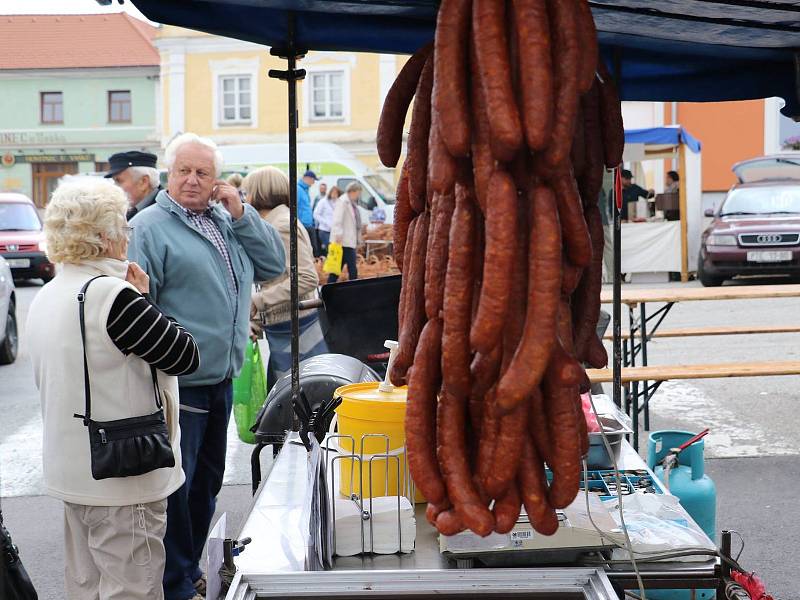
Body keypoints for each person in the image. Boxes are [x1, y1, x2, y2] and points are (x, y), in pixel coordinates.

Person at [127, 133, 285, 600]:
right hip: (180, 379)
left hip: (222, 375)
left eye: (203, 173)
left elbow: (274, 264)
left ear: (217, 180)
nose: (193, 180)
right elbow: (137, 306)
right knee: (180, 484)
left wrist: (241, 214)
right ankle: (175, 581)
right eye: (184, 171)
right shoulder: (150, 226)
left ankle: (192, 567)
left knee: (208, 481)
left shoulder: (224, 218)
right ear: (167, 174)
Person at [26, 177, 199, 600]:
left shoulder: (49, 295)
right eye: (124, 225)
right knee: (132, 588)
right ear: (105, 236)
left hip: (74, 471)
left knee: (85, 586)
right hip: (123, 478)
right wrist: (144, 297)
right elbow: (184, 355)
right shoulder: (112, 296)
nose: (128, 234)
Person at [243, 166, 328, 385]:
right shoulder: (277, 221)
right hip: (289, 326)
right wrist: (256, 321)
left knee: (299, 401)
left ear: (260, 193)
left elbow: (306, 277)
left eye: (247, 192)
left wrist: (259, 301)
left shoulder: (280, 225)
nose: (245, 198)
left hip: (297, 329)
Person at [105, 150, 162, 221]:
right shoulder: (126, 210)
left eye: (118, 181)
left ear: (143, 182)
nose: (114, 187)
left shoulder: (165, 212)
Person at [328, 181, 362, 283]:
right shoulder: (343, 201)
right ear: (353, 191)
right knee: (352, 269)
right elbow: (337, 220)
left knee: (336, 270)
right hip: (343, 242)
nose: (358, 196)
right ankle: (355, 289)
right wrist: (338, 235)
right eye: (358, 193)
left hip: (347, 241)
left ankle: (328, 288)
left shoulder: (350, 203)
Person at [313, 185, 339, 256]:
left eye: (336, 194)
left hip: (334, 231)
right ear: (330, 193)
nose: (334, 195)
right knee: (329, 249)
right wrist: (326, 222)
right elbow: (316, 214)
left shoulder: (339, 202)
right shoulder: (323, 201)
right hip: (324, 230)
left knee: (334, 250)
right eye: (333, 193)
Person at [298, 169, 318, 256]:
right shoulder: (298, 190)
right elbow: (295, 207)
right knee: (310, 250)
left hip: (308, 224)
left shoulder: (305, 190)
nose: (313, 183)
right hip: (303, 225)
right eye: (313, 180)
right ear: (307, 178)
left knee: (313, 249)